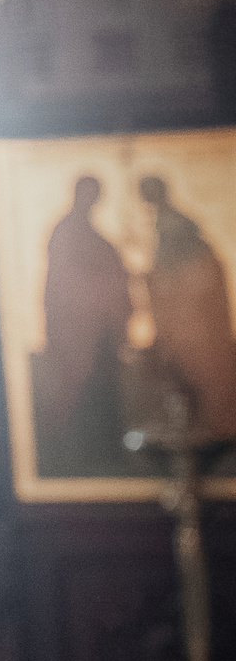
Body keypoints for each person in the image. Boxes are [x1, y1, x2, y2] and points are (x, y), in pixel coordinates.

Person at [30, 175, 138, 476]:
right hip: (76, 338)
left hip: (100, 336)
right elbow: (67, 284)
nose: (91, 201)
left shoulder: (96, 238)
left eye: (95, 195)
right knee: (76, 391)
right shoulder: (66, 233)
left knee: (103, 392)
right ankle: (77, 453)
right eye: (87, 194)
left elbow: (113, 276)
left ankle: (105, 452)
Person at [141, 173, 236, 436]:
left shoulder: (179, 229)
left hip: (197, 325)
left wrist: (168, 286)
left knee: (204, 376)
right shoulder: (165, 226)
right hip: (182, 323)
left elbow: (193, 281)